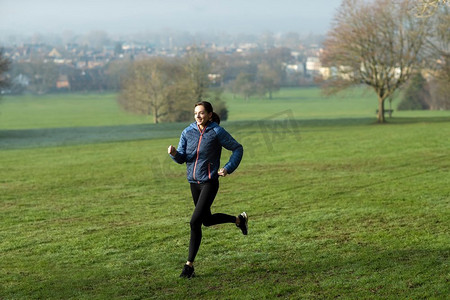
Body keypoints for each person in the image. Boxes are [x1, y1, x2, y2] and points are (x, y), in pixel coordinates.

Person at [168, 101, 247, 279]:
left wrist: (228, 168)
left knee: (194, 222)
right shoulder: (187, 132)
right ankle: (239, 220)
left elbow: (237, 148)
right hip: (193, 183)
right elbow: (182, 158)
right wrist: (174, 154)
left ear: (210, 115)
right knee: (207, 220)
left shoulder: (216, 132)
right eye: (196, 113)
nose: (198, 116)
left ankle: (189, 266)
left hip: (209, 182)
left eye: (202, 113)